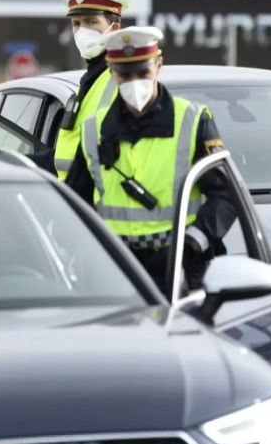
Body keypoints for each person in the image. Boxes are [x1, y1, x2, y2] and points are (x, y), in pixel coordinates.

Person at [65, 27, 236, 296]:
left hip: (179, 270)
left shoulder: (192, 120)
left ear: (159, 65)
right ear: (111, 71)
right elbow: (74, 204)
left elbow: (226, 196)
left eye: (142, 73)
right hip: (115, 272)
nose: (135, 83)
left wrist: (192, 244)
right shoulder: (92, 130)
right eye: (125, 75)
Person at [47, 0, 130, 179]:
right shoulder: (90, 80)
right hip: (74, 199)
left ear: (115, 28)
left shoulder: (123, 80)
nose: (83, 31)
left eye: (92, 22)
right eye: (77, 23)